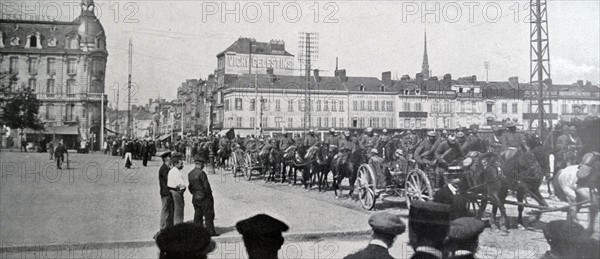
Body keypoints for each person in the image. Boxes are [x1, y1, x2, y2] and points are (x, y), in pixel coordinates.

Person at [188, 155, 216, 236]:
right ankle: (210, 232)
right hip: (204, 198)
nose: (203, 166)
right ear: (200, 164)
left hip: (195, 198)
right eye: (203, 164)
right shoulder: (202, 173)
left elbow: (190, 187)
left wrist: (195, 193)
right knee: (208, 215)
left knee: (197, 215)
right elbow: (206, 186)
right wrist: (209, 196)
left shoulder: (190, 174)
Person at [155, 151, 174, 239]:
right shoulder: (164, 169)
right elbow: (168, 180)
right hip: (166, 192)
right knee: (165, 210)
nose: (171, 159)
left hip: (166, 192)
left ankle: (167, 227)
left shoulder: (166, 168)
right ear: (166, 159)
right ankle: (162, 227)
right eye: (170, 158)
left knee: (168, 210)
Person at [167, 152, 187, 225]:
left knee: (175, 209)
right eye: (181, 161)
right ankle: (178, 225)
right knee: (179, 210)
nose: (182, 163)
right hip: (177, 192)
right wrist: (183, 188)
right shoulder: (177, 172)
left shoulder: (172, 170)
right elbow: (181, 185)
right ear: (177, 163)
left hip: (172, 191)